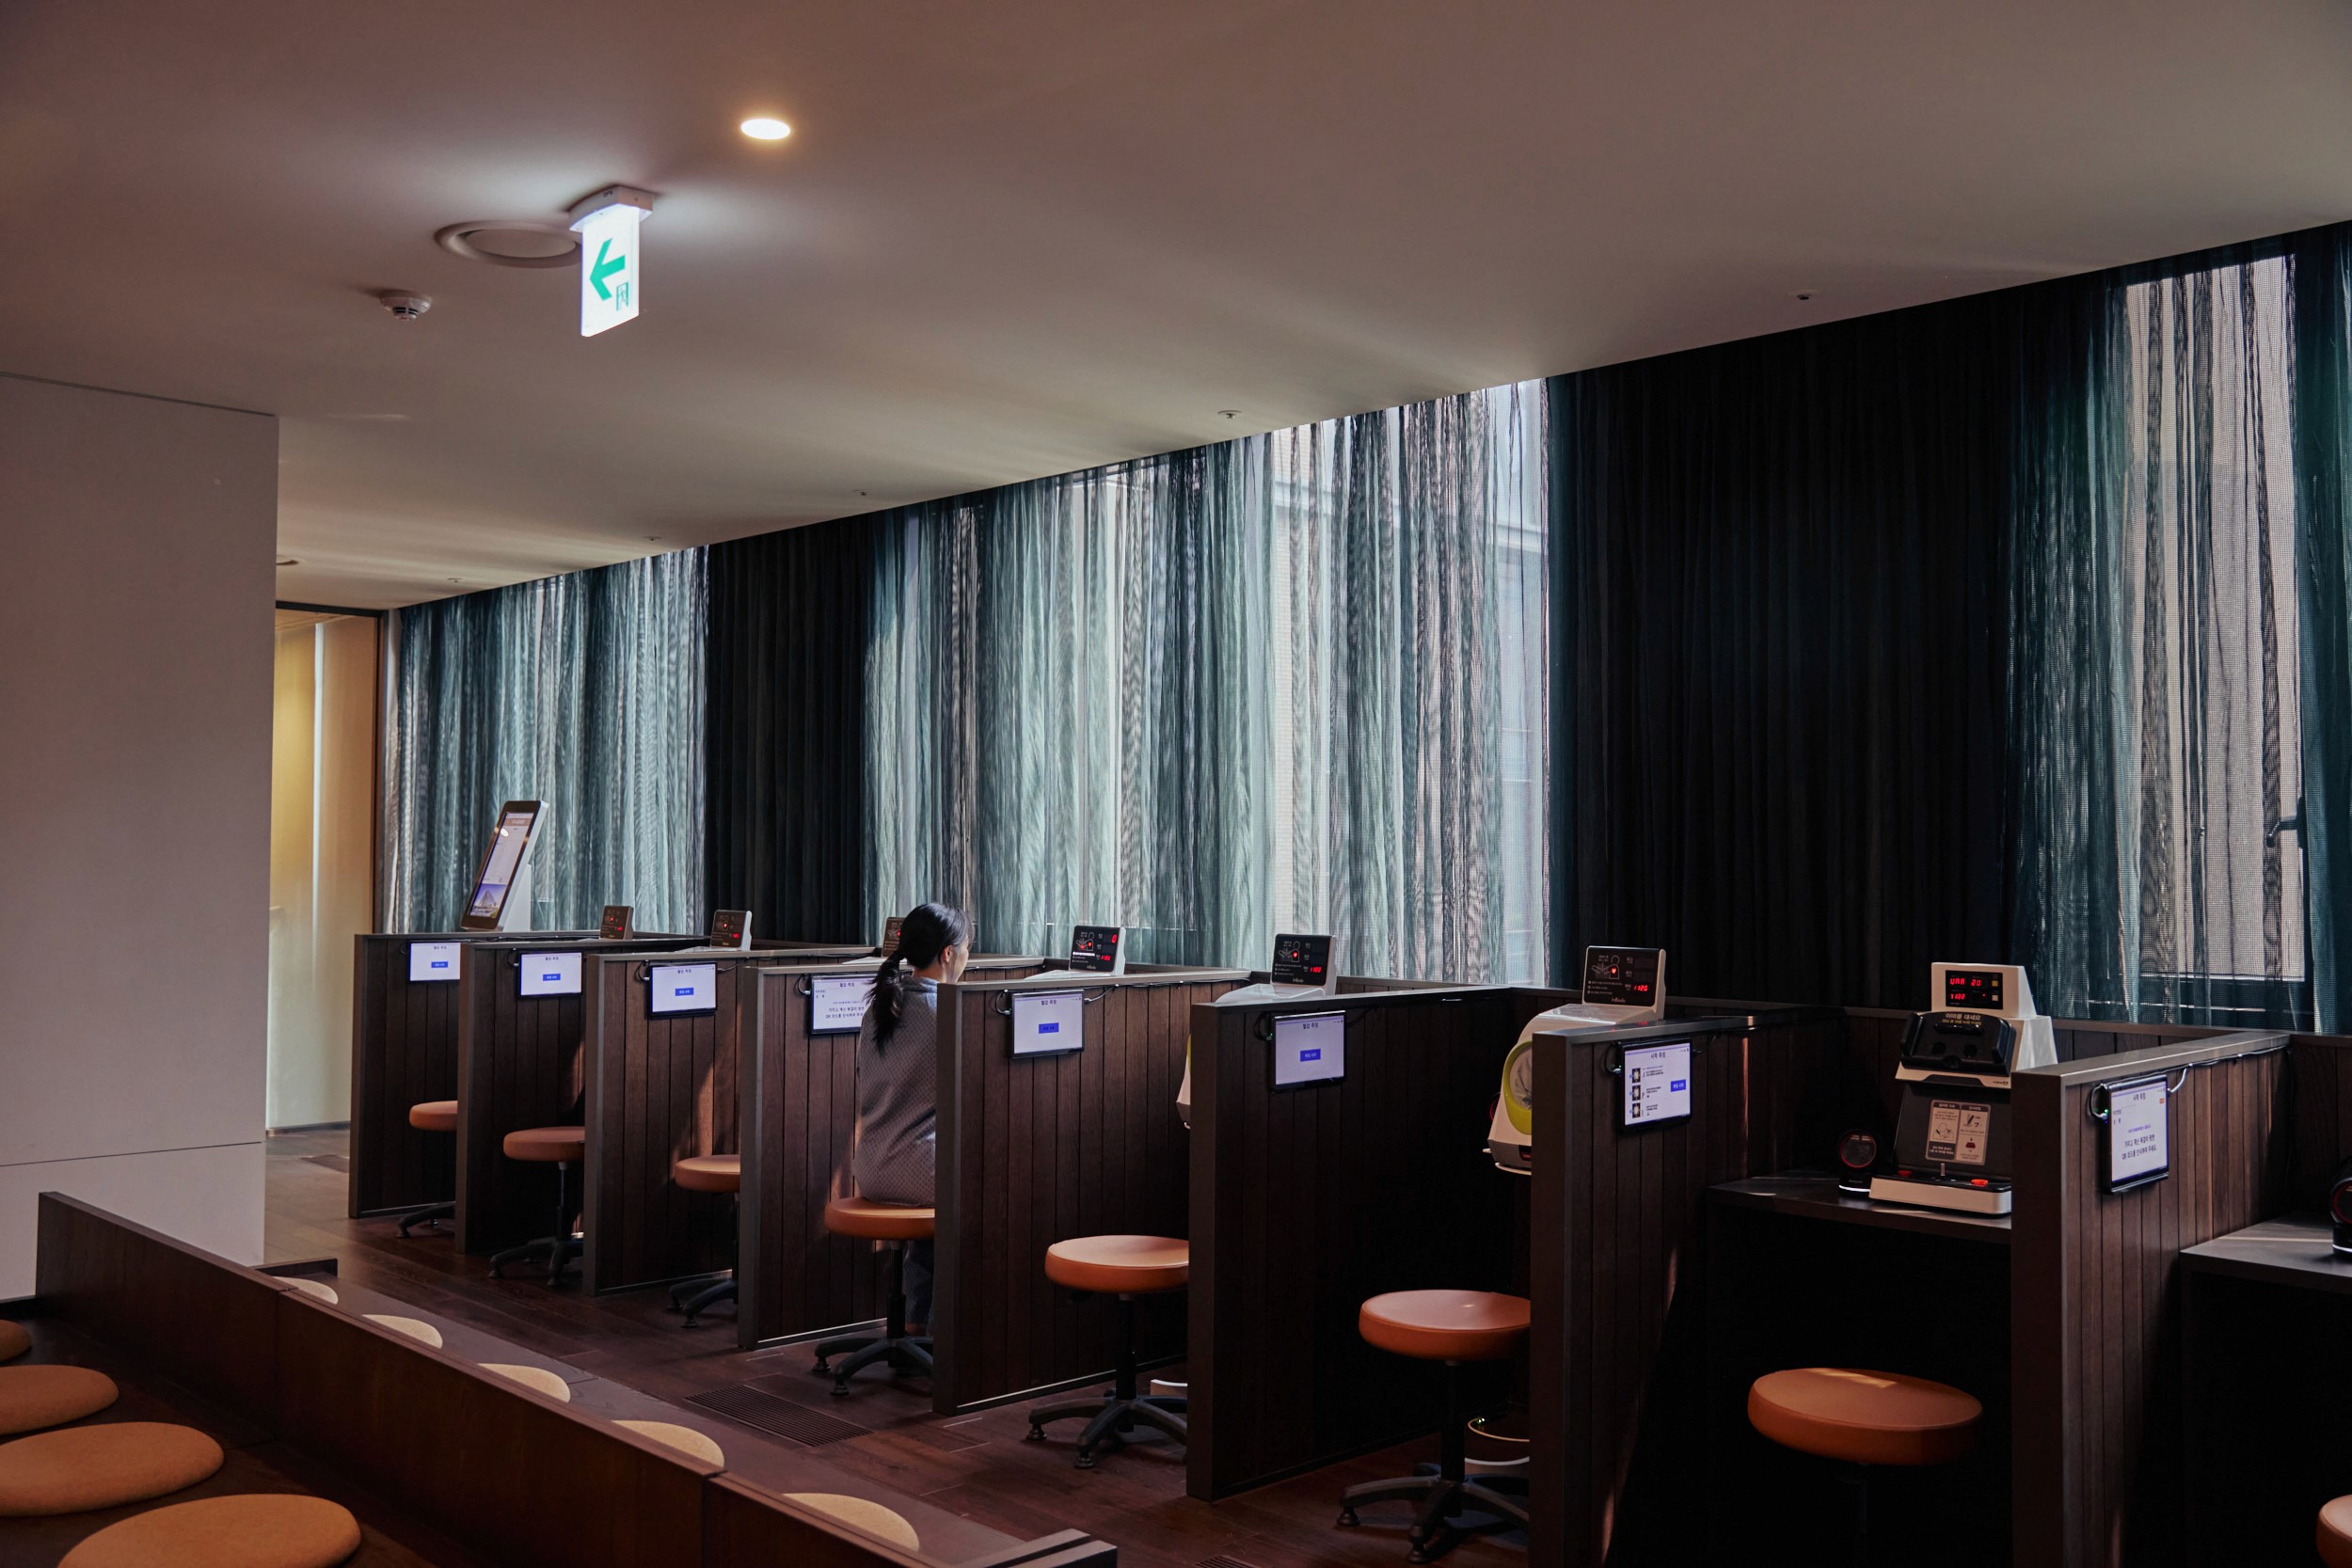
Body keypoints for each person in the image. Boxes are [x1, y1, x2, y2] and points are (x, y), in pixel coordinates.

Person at [850, 900, 971, 1331]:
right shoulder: (947, 1015)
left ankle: (916, 1321)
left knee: (937, 1173)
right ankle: (943, 1331)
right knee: (975, 1190)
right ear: (948, 954)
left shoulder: (881, 1008)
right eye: (967, 948)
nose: (968, 958)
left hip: (870, 1168)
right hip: (920, 1173)